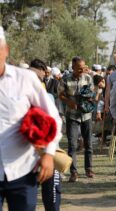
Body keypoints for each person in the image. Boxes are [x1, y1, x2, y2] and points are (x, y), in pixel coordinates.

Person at [0, 26, 62, 210]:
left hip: (23, 169)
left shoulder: (25, 79)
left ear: (6, 50)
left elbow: (53, 118)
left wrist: (49, 154)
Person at [30, 59, 62, 211]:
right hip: (25, 158)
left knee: (51, 196)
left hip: (47, 152)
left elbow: (56, 124)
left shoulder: (47, 97)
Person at [58, 56, 94, 182]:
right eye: (79, 68)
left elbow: (91, 93)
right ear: (73, 67)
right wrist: (69, 102)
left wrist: (89, 98)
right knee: (72, 145)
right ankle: (74, 172)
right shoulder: (65, 79)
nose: (82, 70)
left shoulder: (88, 78)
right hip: (72, 115)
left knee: (88, 143)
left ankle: (89, 169)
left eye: (84, 67)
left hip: (86, 115)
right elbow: (60, 94)